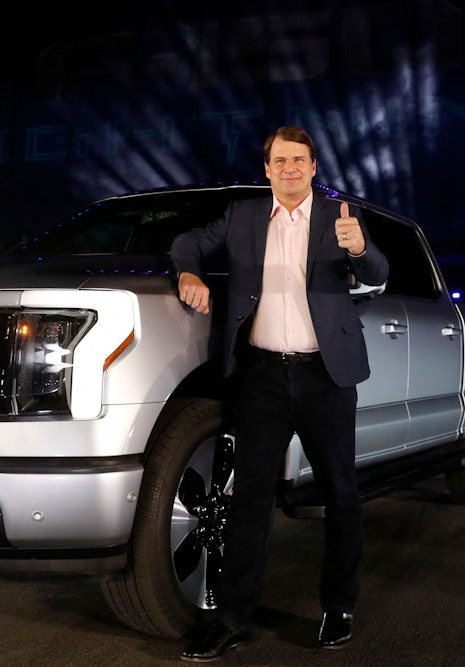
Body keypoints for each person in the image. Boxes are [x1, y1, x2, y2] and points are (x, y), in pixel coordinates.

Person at [170, 126, 389, 661]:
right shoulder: (244, 215)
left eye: (300, 160)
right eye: (280, 160)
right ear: (266, 169)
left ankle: (339, 608)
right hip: (262, 377)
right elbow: (188, 243)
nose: (290, 168)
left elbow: (378, 276)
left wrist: (360, 249)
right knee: (249, 499)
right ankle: (233, 618)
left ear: (314, 168)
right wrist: (188, 275)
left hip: (325, 378)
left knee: (341, 496)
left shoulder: (339, 219)